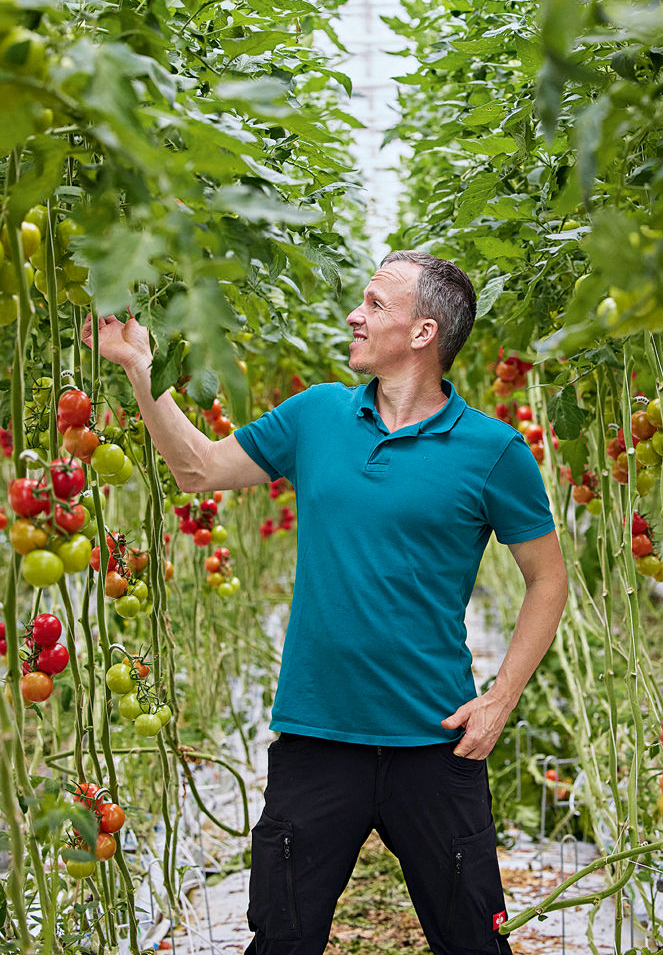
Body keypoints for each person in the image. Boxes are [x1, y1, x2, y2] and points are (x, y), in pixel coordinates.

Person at [82, 250, 568, 955]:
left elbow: (547, 579)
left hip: (436, 742)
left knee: (473, 941)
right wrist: (139, 368)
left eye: (374, 304)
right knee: (281, 940)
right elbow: (197, 469)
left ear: (424, 332)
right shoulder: (315, 417)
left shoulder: (493, 451)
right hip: (316, 740)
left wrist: (500, 699)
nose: (354, 315)